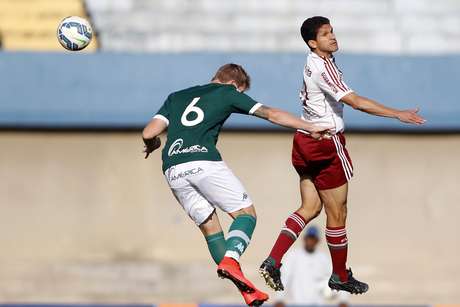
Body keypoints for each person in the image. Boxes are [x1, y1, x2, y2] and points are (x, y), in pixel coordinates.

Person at [259, 16, 426, 295]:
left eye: (332, 31)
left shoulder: (314, 62)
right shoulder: (323, 67)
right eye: (325, 34)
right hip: (326, 142)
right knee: (338, 212)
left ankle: (273, 259)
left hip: (303, 140)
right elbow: (356, 102)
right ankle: (339, 275)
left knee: (310, 207)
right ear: (313, 43)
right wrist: (397, 113)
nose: (333, 37)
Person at [142, 63, 330, 306]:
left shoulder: (176, 97)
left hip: (173, 169)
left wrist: (153, 144)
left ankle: (246, 291)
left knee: (211, 228)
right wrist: (309, 126)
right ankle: (231, 259)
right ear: (235, 85)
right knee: (246, 214)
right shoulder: (228, 93)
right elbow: (271, 114)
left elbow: (149, 132)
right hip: (203, 160)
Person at [273, 226, 350, 307]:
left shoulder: (324, 258)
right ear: (304, 239)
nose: (310, 241)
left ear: (317, 241)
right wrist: (279, 298)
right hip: (297, 302)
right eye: (309, 238)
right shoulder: (293, 255)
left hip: (318, 303)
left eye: (313, 239)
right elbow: (285, 276)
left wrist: (343, 299)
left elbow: (338, 276)